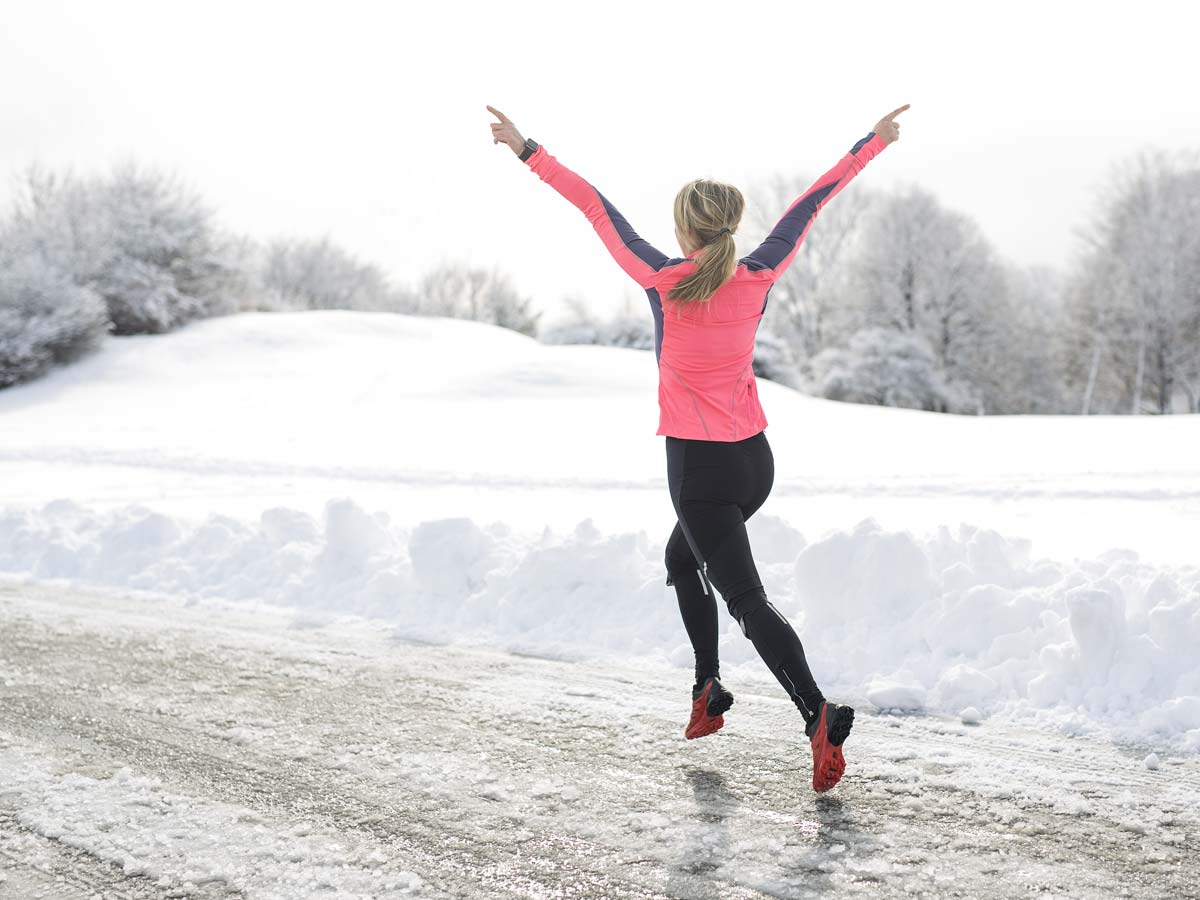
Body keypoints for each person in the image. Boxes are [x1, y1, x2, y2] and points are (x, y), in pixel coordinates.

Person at [488, 102, 908, 792]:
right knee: (683, 559)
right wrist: (871, 145)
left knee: (744, 598)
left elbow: (597, 210)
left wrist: (527, 150)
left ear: (685, 229)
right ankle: (707, 688)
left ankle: (817, 714)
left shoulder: (663, 281)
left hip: (701, 470)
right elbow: (809, 207)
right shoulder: (759, 275)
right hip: (754, 462)